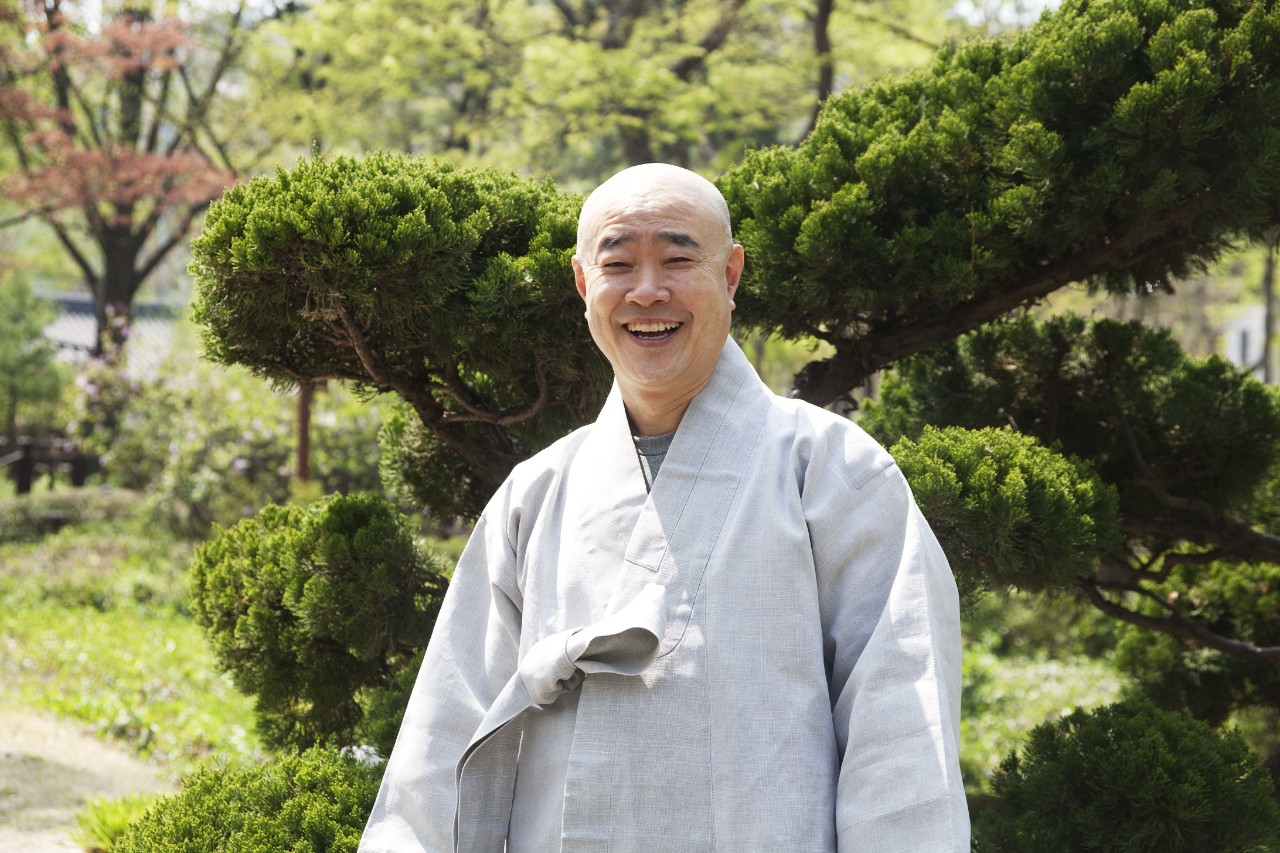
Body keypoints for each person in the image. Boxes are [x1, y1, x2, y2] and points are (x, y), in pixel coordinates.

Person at [359, 164, 969, 852]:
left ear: (730, 275)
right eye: (618, 264)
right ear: (583, 284)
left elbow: (901, 731)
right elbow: (444, 732)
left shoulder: (831, 470)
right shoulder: (537, 493)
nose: (647, 291)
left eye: (678, 260)